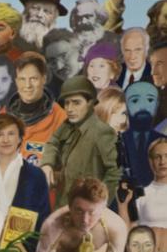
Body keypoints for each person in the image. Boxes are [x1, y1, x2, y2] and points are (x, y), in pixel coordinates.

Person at [0, 113, 51, 252]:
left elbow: (44, 220)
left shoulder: (35, 176)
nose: (5, 140)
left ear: (20, 138)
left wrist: (28, 248)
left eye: (11, 134)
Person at [41, 75, 120, 209]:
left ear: (90, 103)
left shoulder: (102, 132)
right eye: (67, 103)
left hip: (86, 212)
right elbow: (52, 142)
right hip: (62, 206)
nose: (69, 108)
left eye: (76, 103)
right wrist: (47, 164)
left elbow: (115, 172)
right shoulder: (67, 125)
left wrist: (99, 205)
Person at [7, 51, 67, 168]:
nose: (27, 85)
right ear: (16, 81)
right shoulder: (4, 116)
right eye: (22, 79)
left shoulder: (60, 119)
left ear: (43, 79)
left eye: (33, 79)